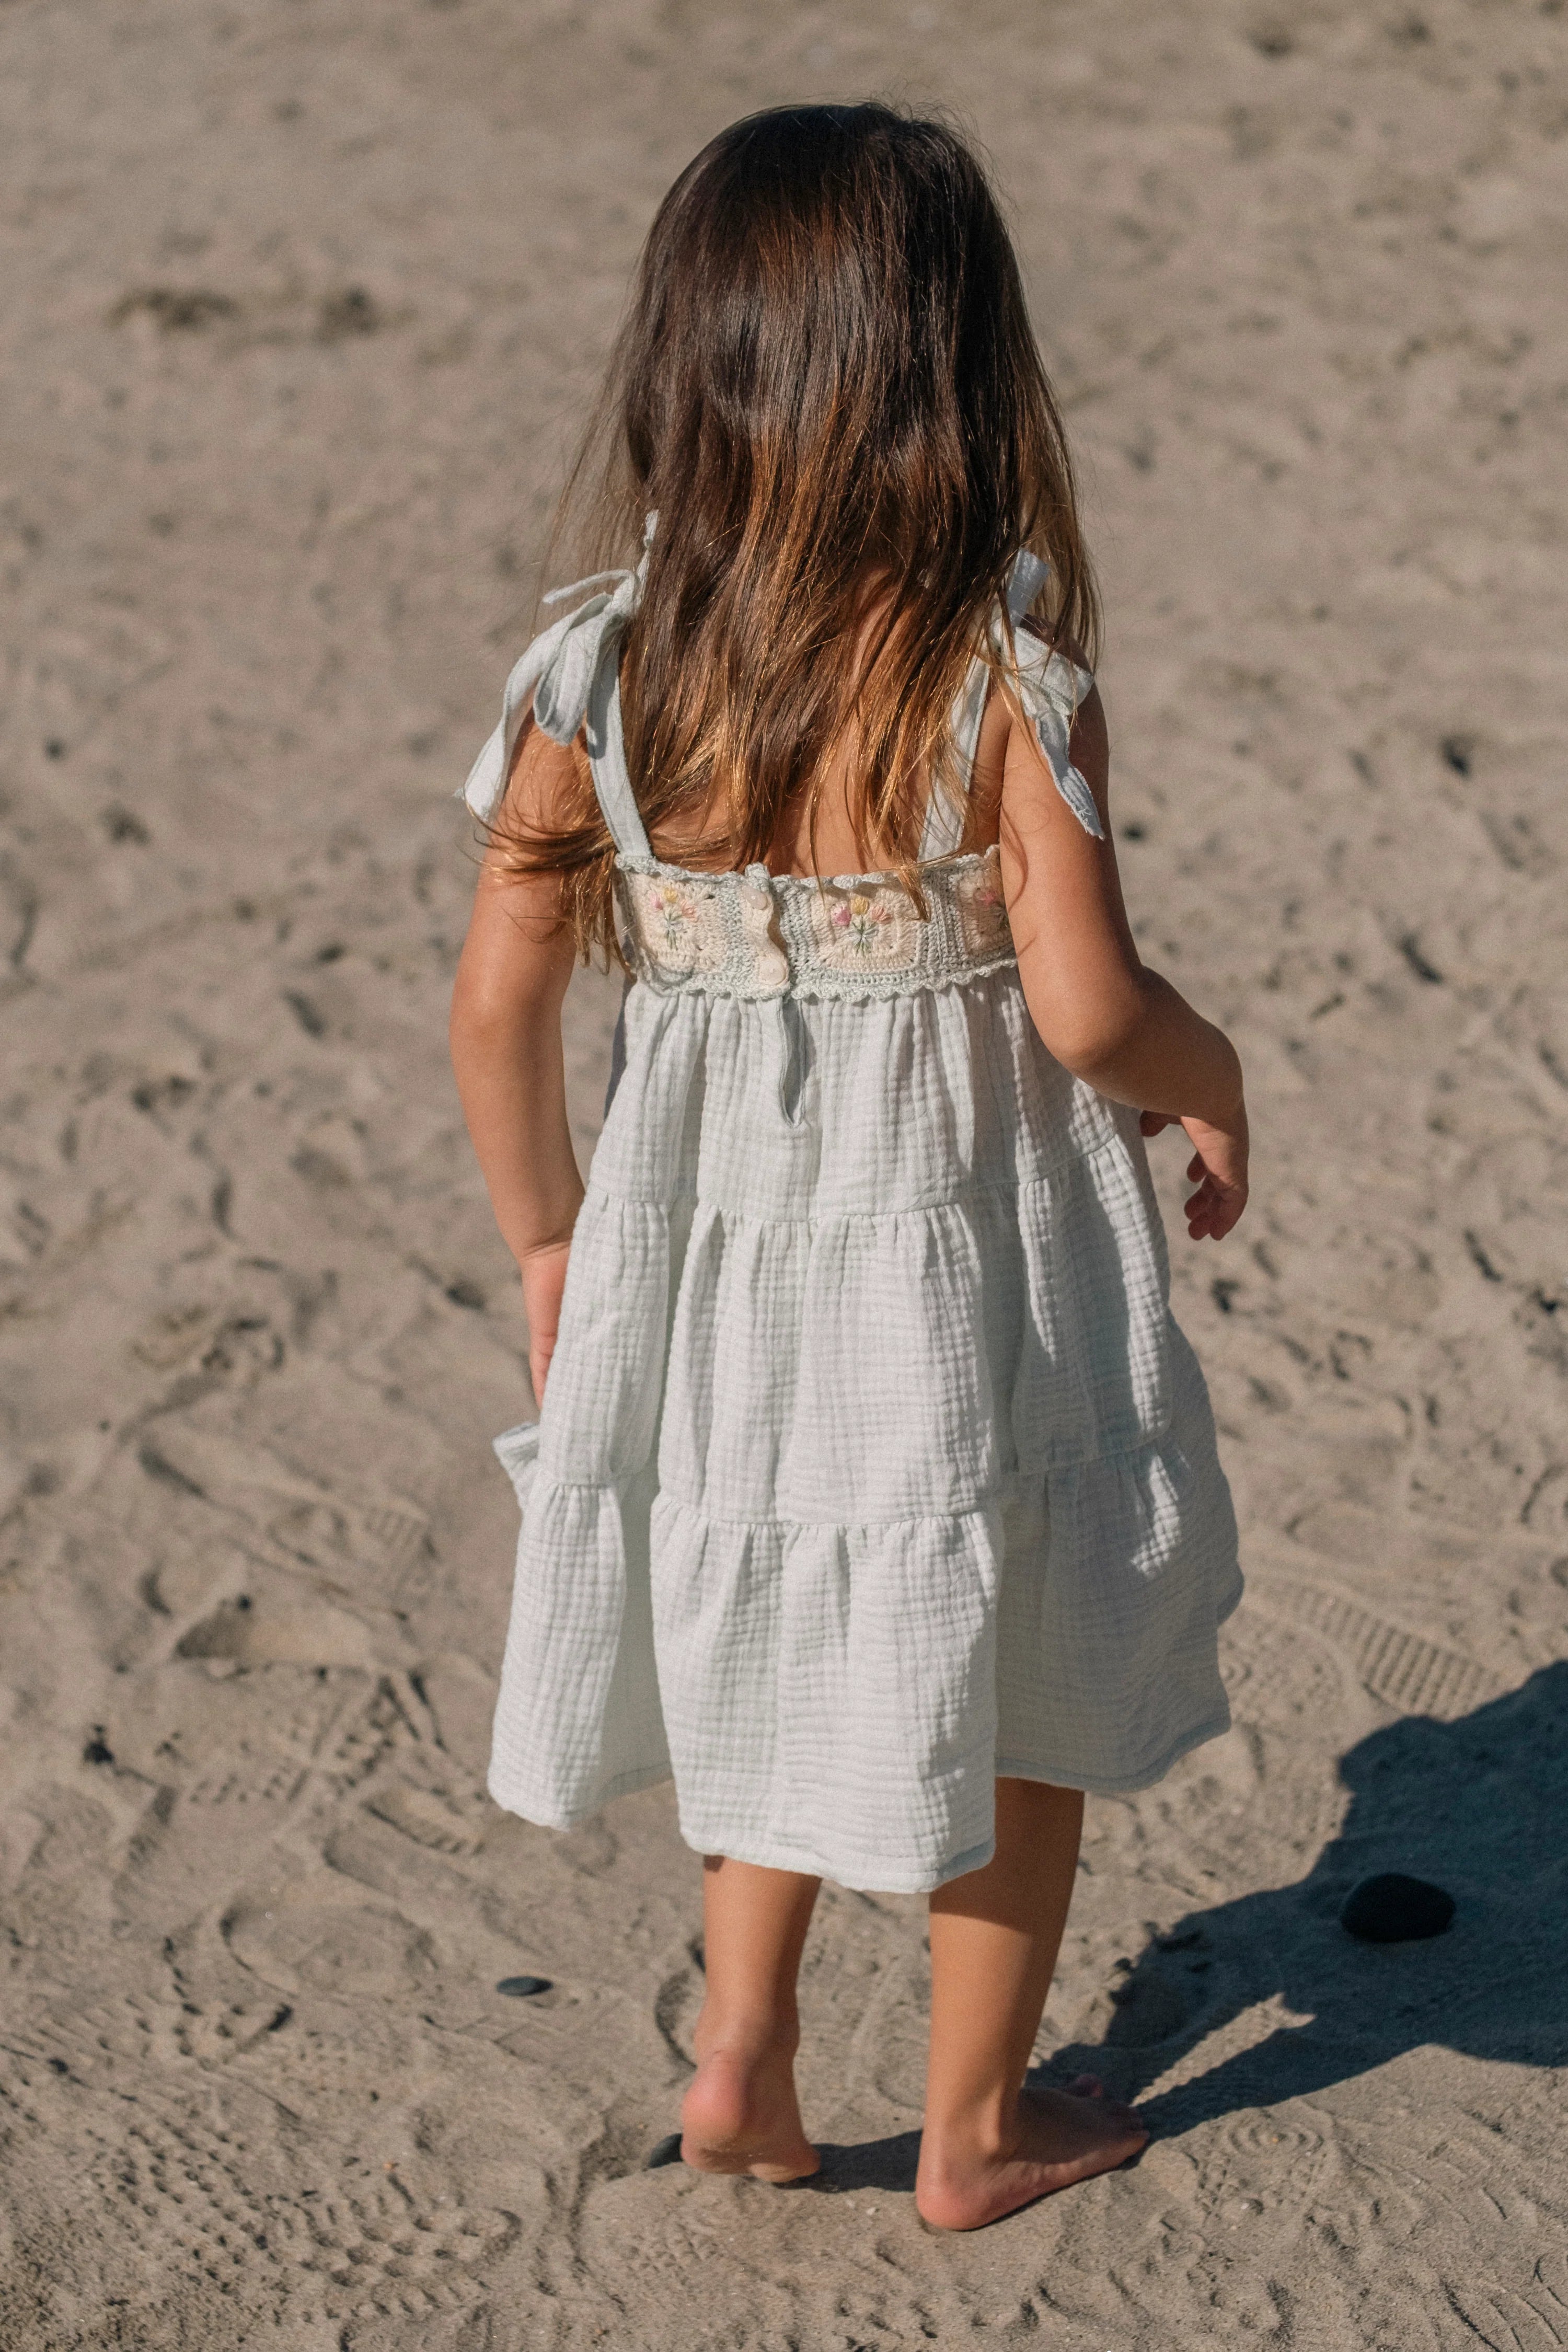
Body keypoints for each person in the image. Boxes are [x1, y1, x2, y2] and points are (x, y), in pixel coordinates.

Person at [448, 103, 1247, 2232]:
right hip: (962, 1255)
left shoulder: (598, 669)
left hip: (716, 1254)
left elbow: (497, 999)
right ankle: (977, 2132)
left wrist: (548, 1232)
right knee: (1023, 1648)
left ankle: (745, 2052)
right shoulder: (1004, 679)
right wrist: (1220, 1070)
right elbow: (1089, 1013)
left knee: (767, 1610)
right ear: (957, 376)